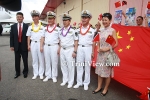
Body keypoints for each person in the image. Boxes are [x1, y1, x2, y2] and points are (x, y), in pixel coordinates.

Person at [92, 13, 118, 96]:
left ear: (110, 20)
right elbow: (98, 41)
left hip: (108, 55)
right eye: (103, 20)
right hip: (100, 55)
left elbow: (115, 43)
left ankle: (105, 89)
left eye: (106, 20)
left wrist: (107, 49)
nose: (104, 21)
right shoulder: (101, 30)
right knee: (100, 72)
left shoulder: (112, 30)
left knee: (107, 74)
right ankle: (99, 87)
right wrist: (98, 47)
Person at [73, 10, 95, 90]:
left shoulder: (93, 30)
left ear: (89, 19)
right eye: (83, 17)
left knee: (87, 66)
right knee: (79, 66)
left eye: (86, 18)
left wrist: (93, 52)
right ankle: (79, 82)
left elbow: (94, 42)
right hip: (80, 48)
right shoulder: (78, 29)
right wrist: (75, 51)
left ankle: (86, 83)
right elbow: (76, 41)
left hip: (88, 48)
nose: (84, 19)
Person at [58, 13, 78, 88]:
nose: (64, 22)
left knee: (70, 66)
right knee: (63, 66)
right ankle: (65, 80)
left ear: (69, 21)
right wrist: (60, 49)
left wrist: (75, 51)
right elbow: (60, 40)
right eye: (63, 20)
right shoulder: (60, 30)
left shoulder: (73, 30)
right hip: (63, 49)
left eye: (66, 20)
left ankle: (70, 82)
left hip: (70, 49)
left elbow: (76, 41)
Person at [40, 11, 60, 82]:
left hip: (54, 46)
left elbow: (60, 39)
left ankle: (54, 76)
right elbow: (42, 37)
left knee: (54, 61)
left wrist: (59, 48)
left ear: (54, 19)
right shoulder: (45, 28)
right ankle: (48, 75)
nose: (49, 20)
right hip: (46, 46)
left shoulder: (58, 29)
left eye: (51, 19)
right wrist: (41, 46)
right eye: (49, 18)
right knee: (47, 61)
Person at [26, 10, 45, 80]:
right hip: (33, 43)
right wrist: (28, 45)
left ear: (38, 17)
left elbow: (43, 37)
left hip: (40, 43)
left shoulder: (42, 27)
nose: (34, 18)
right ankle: (35, 73)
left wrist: (41, 45)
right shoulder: (30, 27)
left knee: (41, 59)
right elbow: (28, 36)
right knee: (34, 59)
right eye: (33, 17)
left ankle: (41, 73)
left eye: (35, 16)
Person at [10, 12, 29, 78]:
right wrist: (11, 46)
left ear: (23, 18)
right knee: (17, 60)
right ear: (16, 18)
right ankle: (17, 72)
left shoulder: (27, 26)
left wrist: (28, 45)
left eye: (20, 17)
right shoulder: (13, 26)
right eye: (18, 17)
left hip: (24, 45)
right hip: (16, 46)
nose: (19, 18)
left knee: (25, 60)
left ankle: (25, 72)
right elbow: (11, 37)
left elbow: (28, 37)